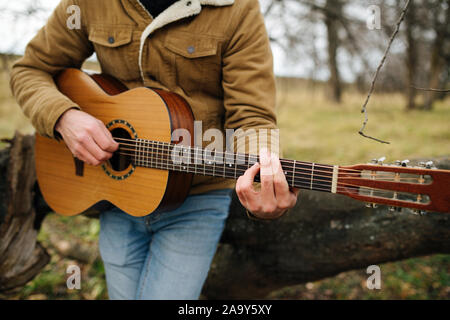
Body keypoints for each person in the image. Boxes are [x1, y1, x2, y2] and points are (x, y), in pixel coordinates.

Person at [10, 0, 299, 299]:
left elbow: (252, 115)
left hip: (195, 196)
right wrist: (63, 116)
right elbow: (30, 70)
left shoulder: (236, 8)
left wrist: (261, 168)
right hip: (115, 196)